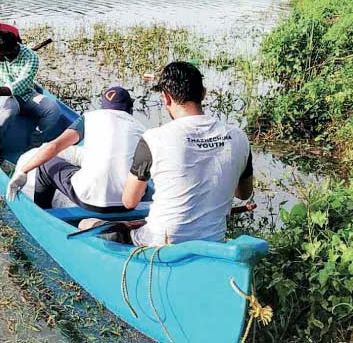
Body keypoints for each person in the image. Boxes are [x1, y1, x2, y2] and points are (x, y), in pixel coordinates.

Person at [80, 62, 254, 246]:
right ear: (203, 93)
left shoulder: (154, 138)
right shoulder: (239, 137)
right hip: (212, 241)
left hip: (158, 243)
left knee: (85, 223)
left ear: (166, 97)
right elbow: (244, 193)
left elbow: (129, 201)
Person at [5, 86, 146, 213]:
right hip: (127, 203)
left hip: (89, 201)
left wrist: (23, 171)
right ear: (130, 109)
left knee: (45, 166)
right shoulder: (142, 130)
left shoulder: (90, 117)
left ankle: (43, 213)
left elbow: (54, 146)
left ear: (103, 107)